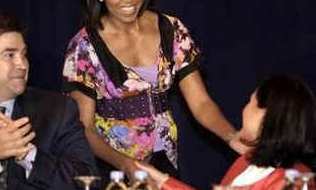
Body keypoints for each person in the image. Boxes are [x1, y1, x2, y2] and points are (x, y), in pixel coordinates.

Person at [62, 0, 246, 186]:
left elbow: (201, 103)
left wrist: (232, 137)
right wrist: (126, 165)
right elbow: (84, 128)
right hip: (113, 167)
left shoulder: (172, 28)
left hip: (164, 161)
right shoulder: (84, 46)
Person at [0, 11, 98, 190]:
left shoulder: (58, 110)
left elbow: (87, 181)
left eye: (23, 54)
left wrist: (28, 154)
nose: (22, 64)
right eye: (9, 55)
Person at [135, 74, 316, 189]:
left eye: (250, 103)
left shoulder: (295, 181)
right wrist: (162, 180)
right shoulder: (247, 161)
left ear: (267, 115)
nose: (244, 110)